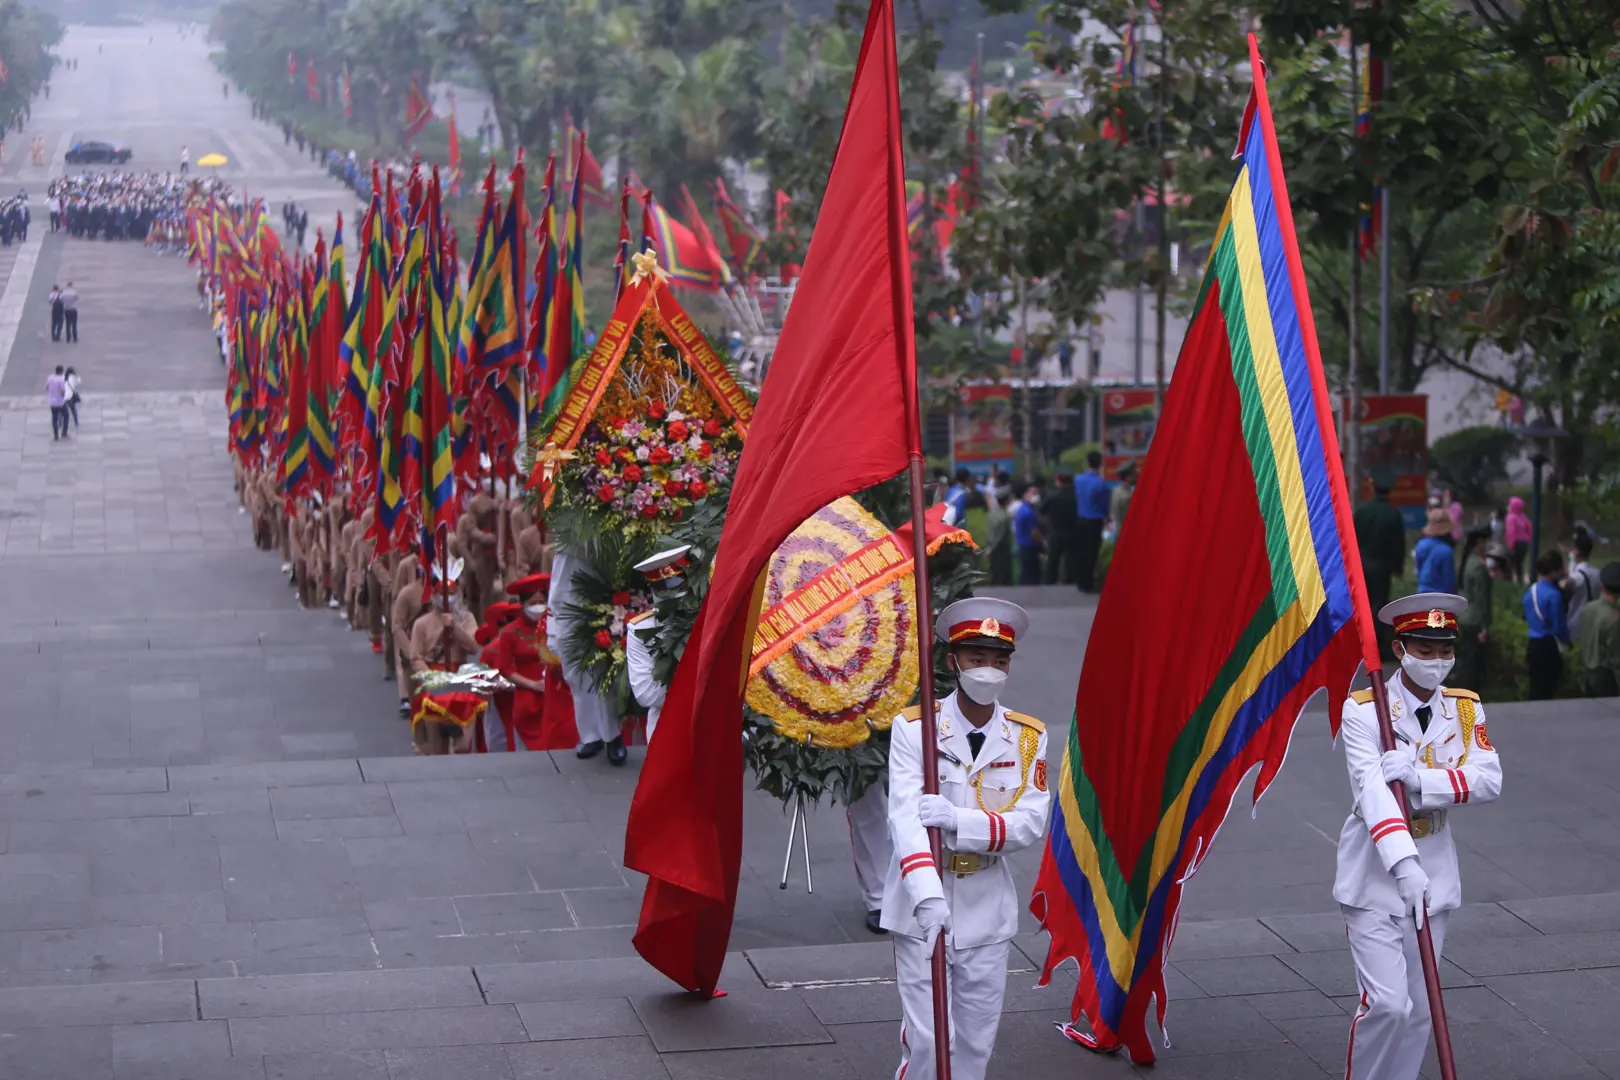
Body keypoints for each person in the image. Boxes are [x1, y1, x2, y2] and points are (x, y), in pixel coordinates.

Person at [881, 597, 1049, 1080]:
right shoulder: (916, 729)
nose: (989, 670)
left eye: (999, 660)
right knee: (930, 1041)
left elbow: (1029, 823)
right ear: (953, 661)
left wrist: (958, 821)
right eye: (977, 658)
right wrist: (928, 896)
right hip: (922, 904)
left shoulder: (1027, 738)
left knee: (975, 1042)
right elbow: (905, 819)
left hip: (986, 904)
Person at [1336, 593, 1501, 1080]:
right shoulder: (1365, 712)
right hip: (1376, 871)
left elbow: (1489, 780)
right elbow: (1372, 796)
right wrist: (1405, 866)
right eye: (1424, 649)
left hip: (1436, 870)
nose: (1436, 661)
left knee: (1421, 1009)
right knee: (1389, 1005)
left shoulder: (1466, 711)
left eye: (1444, 650)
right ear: (1399, 648)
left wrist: (1422, 781)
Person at [548, 548, 627, 766]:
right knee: (576, 675)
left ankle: (613, 736)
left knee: (605, 668)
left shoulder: (605, 537)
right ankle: (590, 736)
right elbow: (557, 587)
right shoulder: (567, 548)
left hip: (602, 601)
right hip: (570, 609)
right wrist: (553, 627)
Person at [1354, 474, 1407, 636]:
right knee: (1378, 605)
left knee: (1359, 604)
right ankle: (1374, 644)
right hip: (1382, 567)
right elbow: (1399, 544)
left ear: (1373, 488)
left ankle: (1358, 642)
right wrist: (1398, 568)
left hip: (1360, 564)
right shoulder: (1394, 515)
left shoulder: (1362, 511)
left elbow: (1351, 538)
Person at [1524, 549, 1569, 699]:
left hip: (1532, 644)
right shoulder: (1554, 596)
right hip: (1548, 646)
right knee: (1548, 688)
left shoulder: (1531, 591)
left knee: (1535, 686)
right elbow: (1559, 627)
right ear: (1554, 572)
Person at [1454, 526, 1493, 692]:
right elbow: (1482, 599)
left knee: (1465, 661)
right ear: (1480, 542)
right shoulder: (1479, 566)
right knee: (1473, 665)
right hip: (1475, 619)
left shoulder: (1467, 562)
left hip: (1464, 617)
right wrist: (1485, 626)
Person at [1576, 562, 1620, 697]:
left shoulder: (1589, 609)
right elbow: (1616, 658)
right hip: (1607, 678)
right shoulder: (1614, 619)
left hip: (1588, 674)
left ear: (1602, 586)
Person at [1072, 451, 1108, 592]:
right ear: (1100, 464)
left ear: (1087, 463)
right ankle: (1089, 583)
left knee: (1081, 551)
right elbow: (1104, 505)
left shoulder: (1078, 479)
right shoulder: (1100, 483)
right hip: (1094, 521)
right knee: (1092, 553)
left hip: (1080, 519)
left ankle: (1081, 581)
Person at [1564, 528, 1601, 643]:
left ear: (1577, 551)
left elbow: (1566, 584)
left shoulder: (1577, 576)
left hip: (1575, 624)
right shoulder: (1597, 573)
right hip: (1591, 623)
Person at [1041, 474, 1078, 585]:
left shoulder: (1053, 497)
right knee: (1070, 559)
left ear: (1059, 482)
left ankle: (1050, 581)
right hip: (1071, 532)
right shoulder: (1076, 497)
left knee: (1053, 560)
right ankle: (1070, 581)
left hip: (1055, 532)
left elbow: (1042, 510)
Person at [1412, 509, 1457, 594]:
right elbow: (1448, 580)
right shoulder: (1447, 551)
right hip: (1441, 595)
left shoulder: (1421, 545)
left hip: (1422, 593)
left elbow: (1418, 569)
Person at [1012, 481, 1044, 585]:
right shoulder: (1028, 512)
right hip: (1030, 547)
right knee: (1031, 576)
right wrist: (1043, 544)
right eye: (1033, 493)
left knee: (1026, 573)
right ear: (1025, 494)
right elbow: (1034, 533)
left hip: (1023, 546)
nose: (1036, 496)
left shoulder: (1023, 508)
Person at [1504, 497, 1532, 582]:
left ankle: (1509, 581)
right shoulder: (1523, 516)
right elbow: (1529, 529)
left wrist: (1511, 545)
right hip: (1524, 543)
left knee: (1509, 564)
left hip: (1516, 543)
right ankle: (1520, 580)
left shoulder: (1511, 517)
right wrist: (1528, 540)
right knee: (1519, 563)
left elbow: (1511, 532)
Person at [45, 365, 68, 440]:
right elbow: (62, 390)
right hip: (60, 402)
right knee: (66, 416)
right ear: (62, 371)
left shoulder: (50, 378)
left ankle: (56, 435)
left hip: (52, 401)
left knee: (54, 418)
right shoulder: (61, 379)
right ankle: (64, 433)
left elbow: (47, 387)